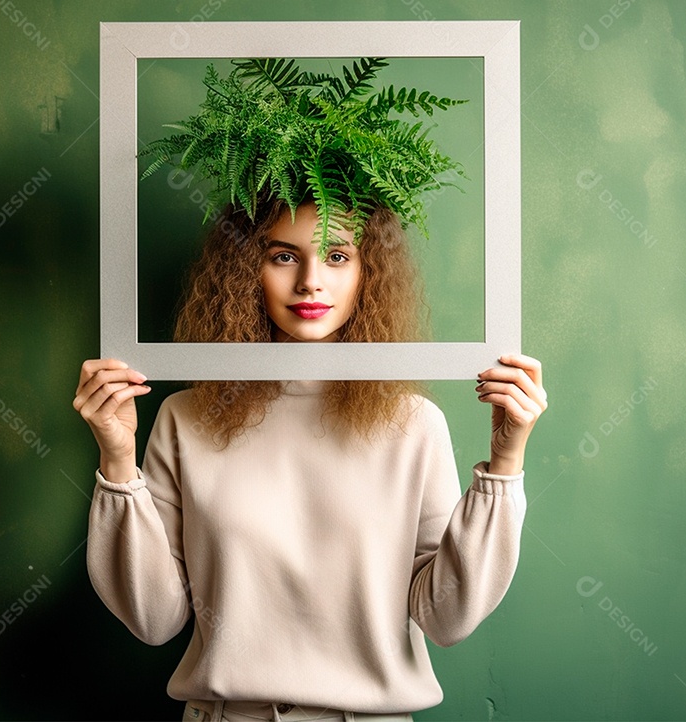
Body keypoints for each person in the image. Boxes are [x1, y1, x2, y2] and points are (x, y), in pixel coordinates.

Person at [73, 195, 548, 722]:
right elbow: (154, 619)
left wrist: (504, 466)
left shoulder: (414, 424)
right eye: (283, 256)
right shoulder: (185, 418)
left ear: (370, 272)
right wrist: (118, 462)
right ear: (244, 268)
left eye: (338, 256)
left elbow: (445, 618)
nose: (310, 281)